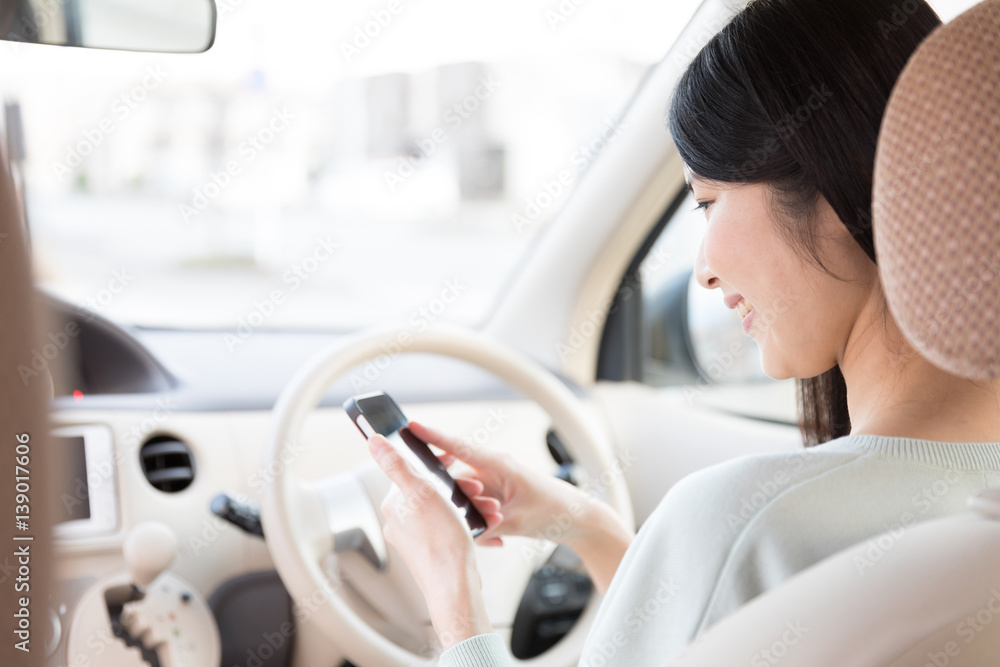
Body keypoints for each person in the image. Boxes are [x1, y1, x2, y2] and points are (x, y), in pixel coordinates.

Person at [367, 0, 1000, 664]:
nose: (701, 270)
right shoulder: (958, 523)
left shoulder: (747, 524)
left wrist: (452, 597)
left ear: (837, 186)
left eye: (708, 201)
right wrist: (590, 528)